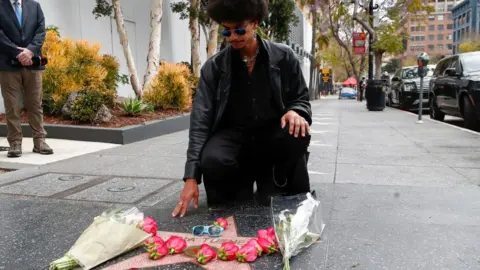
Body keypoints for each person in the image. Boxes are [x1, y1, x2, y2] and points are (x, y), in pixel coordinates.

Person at [172, 0, 312, 217]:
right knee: (212, 157)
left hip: (272, 136)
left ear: (255, 23)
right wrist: (191, 177)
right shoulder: (214, 67)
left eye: (239, 29)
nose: (233, 37)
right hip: (234, 137)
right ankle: (237, 189)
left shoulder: (284, 57)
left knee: (297, 132)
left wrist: (296, 111)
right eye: (226, 31)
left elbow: (301, 97)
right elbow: (200, 120)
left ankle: (277, 183)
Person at [0, 0, 53, 157]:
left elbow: (40, 31)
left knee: (35, 104)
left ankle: (40, 141)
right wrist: (17, 52)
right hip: (8, 66)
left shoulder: (35, 6)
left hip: (33, 64)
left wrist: (30, 51)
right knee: (12, 106)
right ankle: (15, 143)